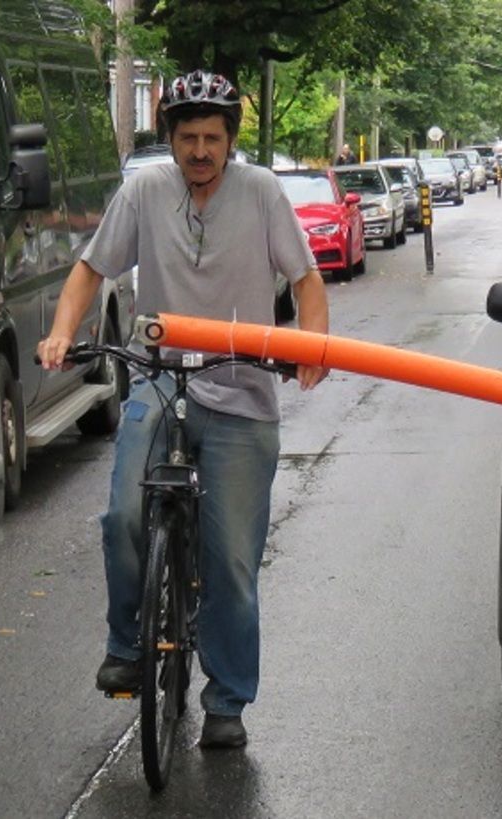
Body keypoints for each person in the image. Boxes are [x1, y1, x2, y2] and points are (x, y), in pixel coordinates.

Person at [37, 69, 328, 749]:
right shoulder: (143, 191)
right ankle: (126, 643)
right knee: (122, 515)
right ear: (170, 138)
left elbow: (306, 278)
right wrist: (60, 330)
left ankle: (226, 697)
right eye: (188, 137)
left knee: (230, 559)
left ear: (231, 141)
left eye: (212, 138)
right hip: (160, 382)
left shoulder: (261, 194)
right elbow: (91, 268)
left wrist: (313, 343)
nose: (200, 150)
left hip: (242, 389)